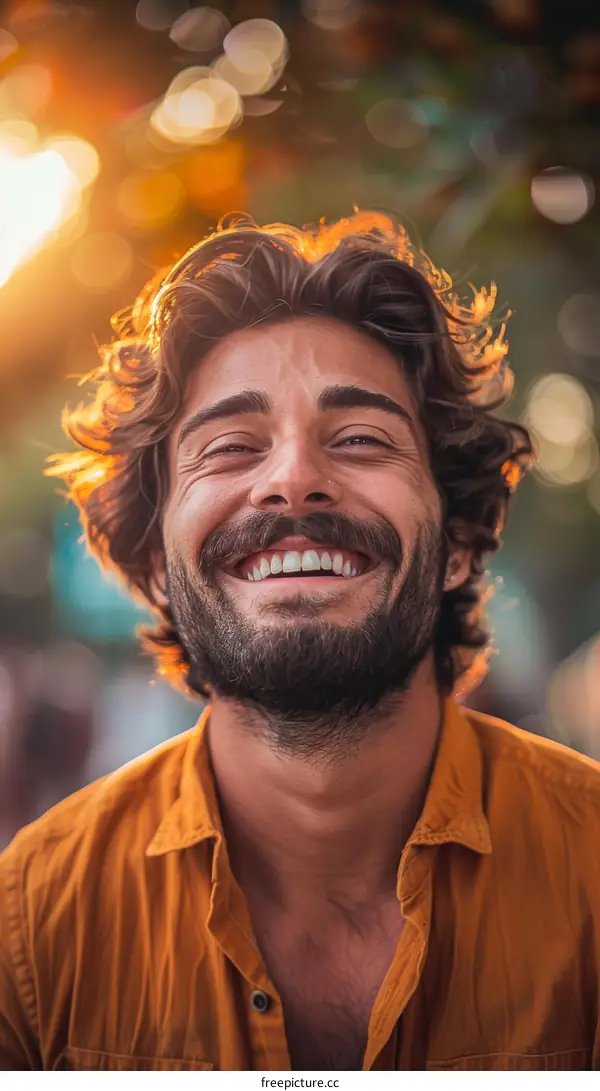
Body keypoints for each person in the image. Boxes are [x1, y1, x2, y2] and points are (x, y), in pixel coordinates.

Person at [1, 211, 599, 1073]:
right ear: (157, 561)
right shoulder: (31, 921)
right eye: (230, 447)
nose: (291, 480)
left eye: (359, 439)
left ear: (459, 541)